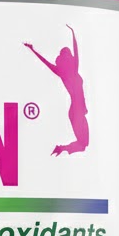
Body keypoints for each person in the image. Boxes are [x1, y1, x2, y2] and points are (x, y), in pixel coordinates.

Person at [23, 25, 89, 156]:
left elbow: (46, 62)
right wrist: (73, 33)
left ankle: (60, 149)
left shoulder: (63, 72)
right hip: (77, 110)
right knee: (83, 145)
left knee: (83, 145)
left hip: (76, 110)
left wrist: (73, 33)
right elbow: (76, 51)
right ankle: (60, 148)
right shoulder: (72, 70)